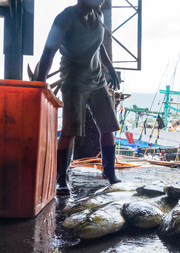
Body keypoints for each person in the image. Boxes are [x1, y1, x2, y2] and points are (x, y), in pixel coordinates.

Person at [36, 0, 122, 195]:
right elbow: (48, 51)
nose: (102, 0)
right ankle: (61, 179)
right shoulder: (65, 19)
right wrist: (40, 84)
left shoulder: (98, 15)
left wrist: (111, 69)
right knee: (70, 131)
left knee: (108, 126)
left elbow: (100, 46)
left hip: (97, 80)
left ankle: (109, 171)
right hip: (74, 82)